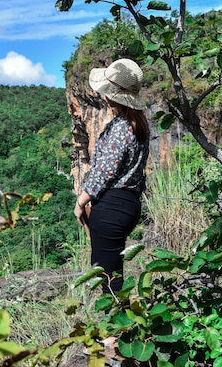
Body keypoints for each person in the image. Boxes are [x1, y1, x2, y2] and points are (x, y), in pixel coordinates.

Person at [74, 58, 149, 293]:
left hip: (111, 208)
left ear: (111, 94)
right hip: (129, 204)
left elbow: (104, 172)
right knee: (112, 272)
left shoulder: (121, 127)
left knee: (107, 278)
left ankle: (118, 327)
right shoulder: (139, 123)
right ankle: (122, 324)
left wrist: (81, 202)